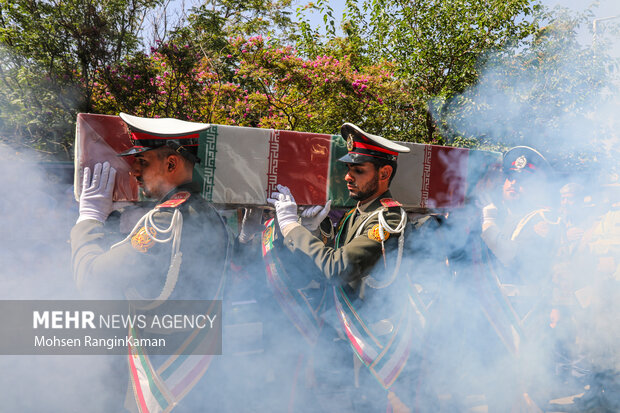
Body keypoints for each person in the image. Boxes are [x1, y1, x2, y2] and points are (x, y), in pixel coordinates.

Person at [70, 116, 231, 412]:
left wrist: (88, 220)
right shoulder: (206, 212)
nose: (133, 170)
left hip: (163, 372)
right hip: (199, 369)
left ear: (171, 164)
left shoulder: (164, 221)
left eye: (142, 161)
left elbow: (93, 278)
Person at [267, 123, 413, 412]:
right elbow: (317, 270)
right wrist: (311, 230)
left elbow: (337, 268)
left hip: (370, 340)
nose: (347, 176)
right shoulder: (355, 215)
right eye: (349, 169)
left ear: (384, 174)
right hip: (342, 336)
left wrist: (292, 227)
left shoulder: (388, 219)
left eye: (359, 170)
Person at [478, 146, 562, 410]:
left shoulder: (542, 219)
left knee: (524, 388)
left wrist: (488, 222)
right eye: (510, 178)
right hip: (502, 310)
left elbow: (510, 255)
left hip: (524, 312)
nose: (512, 184)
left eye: (522, 181)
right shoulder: (511, 217)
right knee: (499, 386)